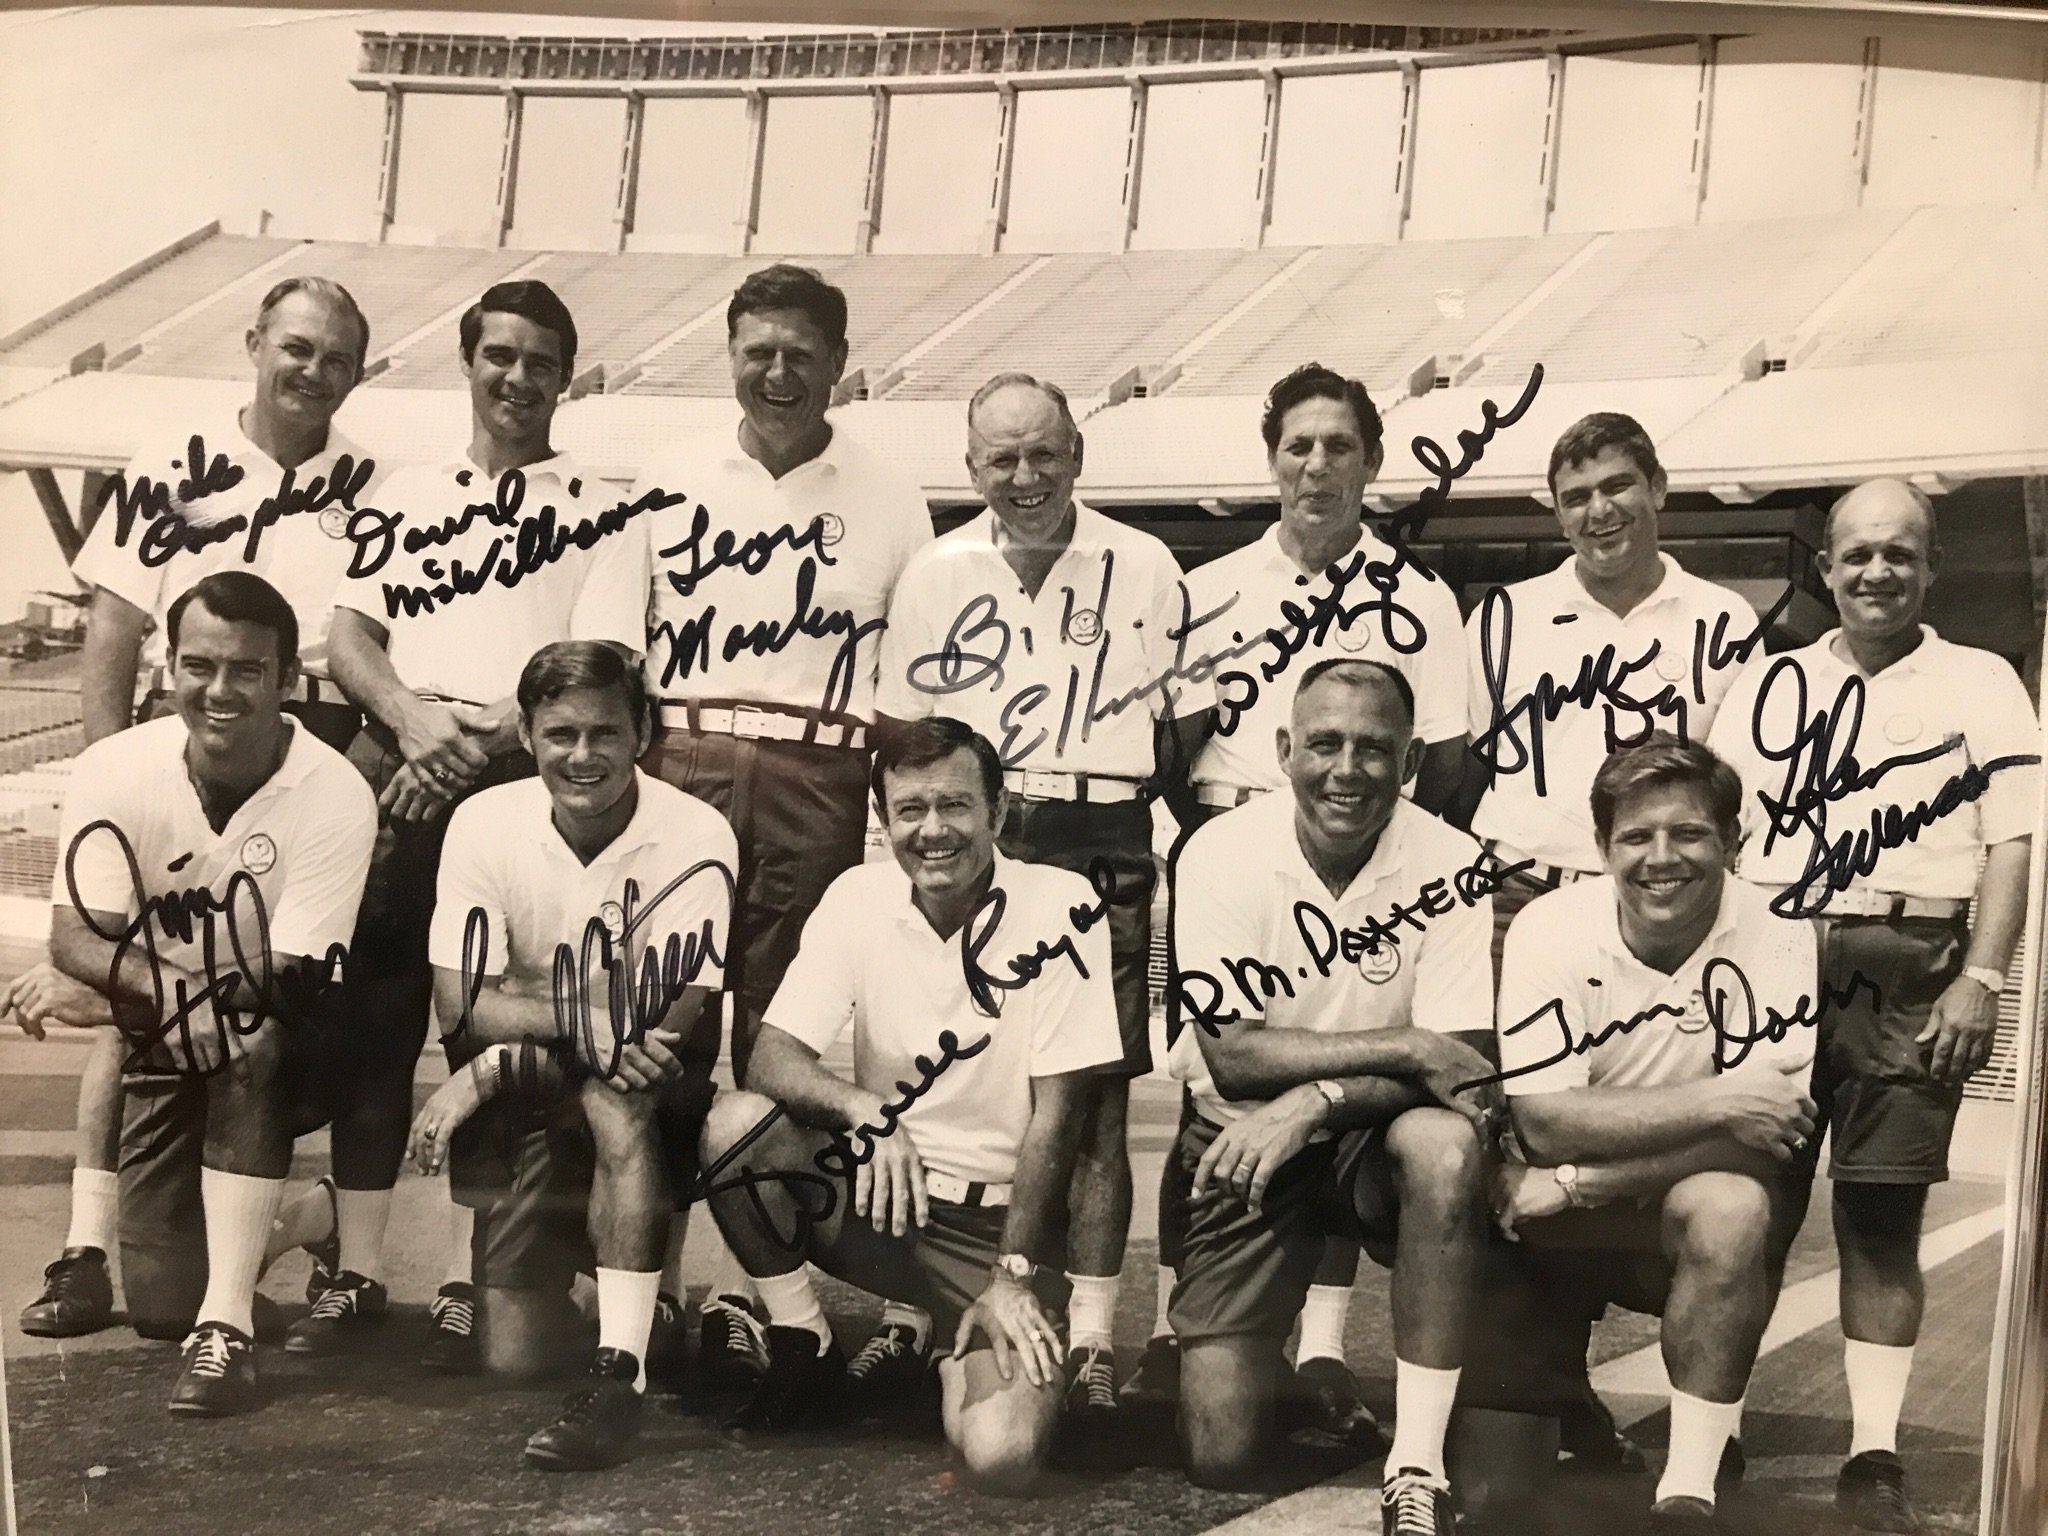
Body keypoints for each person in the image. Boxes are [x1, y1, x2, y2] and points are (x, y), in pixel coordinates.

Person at [20, 277, 378, 1342]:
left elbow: (366, 644)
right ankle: (86, 1248)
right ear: (256, 342)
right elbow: (115, 633)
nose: (310, 372)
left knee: (288, 1007)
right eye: (295, 348)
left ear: (357, 374)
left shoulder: (370, 488)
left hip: (307, 750)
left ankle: (305, 1227)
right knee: (139, 993)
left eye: (335, 358)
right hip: (182, 744)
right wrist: (110, 819)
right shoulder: (172, 468)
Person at [1131, 363, 1468, 1433]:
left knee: (1348, 1053)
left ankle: (1321, 1345)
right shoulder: (1215, 585)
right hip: (1242, 853)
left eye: (1339, 446)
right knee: (1213, 1098)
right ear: (1269, 458)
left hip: (1373, 849)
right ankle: (1176, 1327)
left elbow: (1445, 762)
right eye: (1297, 445)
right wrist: (1219, 862)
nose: (1316, 465)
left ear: (1371, 463)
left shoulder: (1417, 597)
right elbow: (1171, 754)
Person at [875, 371, 1211, 1433]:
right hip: (982, 835)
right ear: (970, 467)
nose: (1023, 477)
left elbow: (1181, 730)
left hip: (1101, 830)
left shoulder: (1144, 562)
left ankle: (1097, 1337)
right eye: (1000, 458)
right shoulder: (934, 569)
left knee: (1097, 1101)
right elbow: (905, 738)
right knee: (946, 1069)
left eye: (1041, 453)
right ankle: (916, 1313)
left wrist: (1101, 798)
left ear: (1076, 453)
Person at [323, 279, 648, 1372]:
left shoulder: (604, 505)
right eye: (499, 355)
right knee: (378, 1025)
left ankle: (470, 1272)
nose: (518, 378)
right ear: (468, 361)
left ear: (567, 375)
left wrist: (468, 749)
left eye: (541, 360)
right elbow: (351, 643)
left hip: (517, 782)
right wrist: (414, 723)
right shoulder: (406, 491)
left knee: (491, 1030)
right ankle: (359, 1265)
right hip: (405, 766)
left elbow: (594, 670)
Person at [1708, 478, 2041, 1533]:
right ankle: (1706, 1430)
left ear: (1929, 568)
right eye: (1854, 555)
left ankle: (1870, 1451)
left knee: (1878, 1214)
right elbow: (1717, 839)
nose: (1875, 573)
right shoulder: (1770, 685)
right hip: (1775, 955)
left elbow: (2010, 840)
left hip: (1908, 961)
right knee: (1742, 1211)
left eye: (1897, 554)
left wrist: (1978, 978)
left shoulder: (1981, 680)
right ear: (1823, 569)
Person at [626, 263, 933, 1385]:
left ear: (839, 364)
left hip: (819, 768)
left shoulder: (891, 496)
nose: (778, 371)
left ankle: (783, 1295)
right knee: (664, 1028)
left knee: (778, 1041)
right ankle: (645, 1297)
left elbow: (904, 690)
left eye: (802, 352)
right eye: (758, 349)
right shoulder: (664, 477)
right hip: (683, 760)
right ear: (730, 353)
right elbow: (616, 648)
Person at [694, 717, 1121, 1492]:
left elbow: (1059, 1118)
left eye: (955, 806)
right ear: (883, 820)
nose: (933, 831)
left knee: (1003, 1458)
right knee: (734, 1127)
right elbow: (771, 1055)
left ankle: (955, 1358)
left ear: (998, 814)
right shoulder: (858, 895)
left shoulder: (1061, 904)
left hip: (996, 1231)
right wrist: (862, 1112)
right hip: (887, 1209)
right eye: (909, 810)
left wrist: (1012, 1275)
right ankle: (804, 1342)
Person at [1453, 410, 1760, 1468]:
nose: (1599, 510)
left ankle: (1699, 1398)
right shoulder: (1501, 617)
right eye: (1576, 493)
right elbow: (1457, 773)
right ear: (1554, 507)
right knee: (1518, 1140)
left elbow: (1735, 792)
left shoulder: (1718, 617)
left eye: (1618, 485)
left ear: (1658, 487)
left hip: (1660, 909)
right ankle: (1548, 1385)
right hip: (1521, 903)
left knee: (1648, 1135)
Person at [7, 571, 375, 1413]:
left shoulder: (334, 791)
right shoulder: (116, 766)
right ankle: (299, 1224)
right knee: (160, 1305)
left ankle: (228, 1329)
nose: (220, 691)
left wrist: (111, 994)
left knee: (253, 1035)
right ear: (165, 667)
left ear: (287, 682)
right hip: (175, 1026)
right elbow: (75, 936)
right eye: (198, 666)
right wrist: (165, 994)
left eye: (248, 670)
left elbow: (288, 976)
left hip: (297, 1031)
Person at [1166, 657, 1497, 1535]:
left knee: (1446, 1146)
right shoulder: (1218, 850)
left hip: (1369, 1140)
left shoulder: (1452, 861)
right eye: (1324, 743)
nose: (1346, 770)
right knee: (1221, 1453)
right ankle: (1276, 1363)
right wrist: (1406, 1046)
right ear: (1283, 750)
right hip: (1241, 1139)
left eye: (1374, 749)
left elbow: (1463, 1065)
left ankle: (1418, 1461)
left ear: (1413, 760)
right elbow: (1233, 1058)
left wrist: (1318, 1097)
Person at [396, 640, 736, 1470]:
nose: (581, 756)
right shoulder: (483, 819)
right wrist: (536, 1042)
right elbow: (460, 1003)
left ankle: (618, 1374)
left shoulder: (698, 832)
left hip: (644, 1078)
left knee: (617, 1098)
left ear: (643, 733)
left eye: (604, 733)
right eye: (559, 735)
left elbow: (660, 1022)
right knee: (513, 1356)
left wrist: (494, 1062)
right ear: (525, 732)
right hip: (535, 1081)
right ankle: (623, 1281)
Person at [1485, 735, 1820, 1534]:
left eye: (1690, 834)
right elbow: (1543, 1117)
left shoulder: (1778, 933)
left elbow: (1768, 1136)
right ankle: (1564, 1393)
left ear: (1733, 842)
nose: (1661, 858)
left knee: (1734, 1206)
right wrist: (1722, 1099)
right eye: (1636, 836)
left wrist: (1581, 1181)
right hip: (1542, 1219)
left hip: (1590, 1195)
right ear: (1601, 847)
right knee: (1495, 1490)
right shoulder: (1549, 926)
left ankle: (1690, 1486)